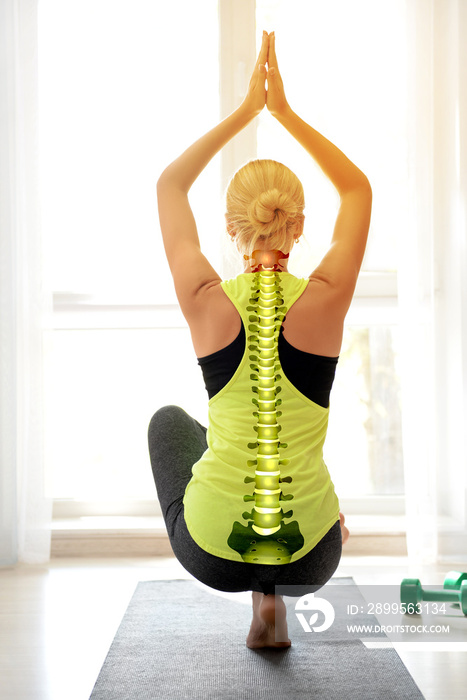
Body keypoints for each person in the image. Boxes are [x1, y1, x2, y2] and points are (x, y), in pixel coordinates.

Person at [148, 31, 371, 649]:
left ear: (229, 227)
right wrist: (284, 113)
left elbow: (170, 186)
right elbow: (358, 190)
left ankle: (249, 574)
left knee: (172, 423)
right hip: (311, 560)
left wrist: (245, 111)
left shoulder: (206, 301)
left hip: (213, 556)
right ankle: (296, 571)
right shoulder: (326, 295)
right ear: (300, 227)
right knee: (291, 455)